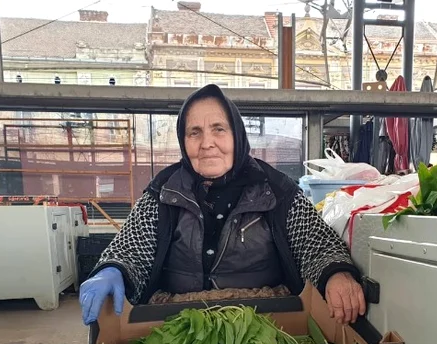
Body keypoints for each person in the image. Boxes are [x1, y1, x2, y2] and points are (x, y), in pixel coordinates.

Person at [80, 84, 365, 326]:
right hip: (176, 321)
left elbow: (315, 242)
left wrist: (335, 273)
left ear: (237, 135)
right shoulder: (164, 189)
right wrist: (113, 269)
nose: (207, 143)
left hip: (266, 320)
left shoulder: (275, 188)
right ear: (183, 140)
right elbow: (133, 246)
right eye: (195, 132)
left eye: (218, 129)